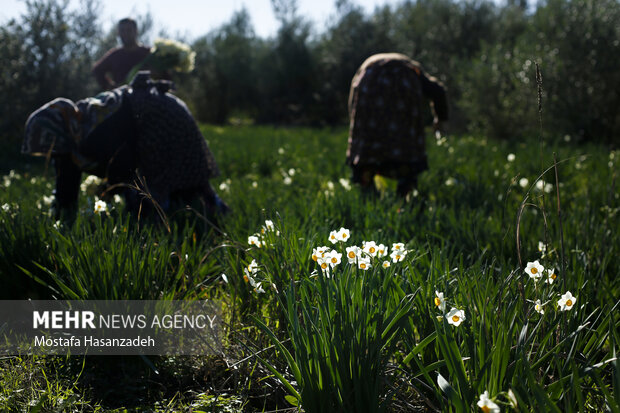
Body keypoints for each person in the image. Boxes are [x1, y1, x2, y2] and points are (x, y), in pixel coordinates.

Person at [23, 72, 229, 222]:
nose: (50, 155)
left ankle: (200, 217)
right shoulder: (72, 131)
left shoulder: (95, 129)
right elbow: (66, 185)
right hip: (152, 116)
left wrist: (111, 188)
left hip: (165, 117)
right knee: (166, 185)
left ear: (58, 133)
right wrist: (60, 218)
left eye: (49, 148)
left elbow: (124, 167)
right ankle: (192, 213)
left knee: (167, 182)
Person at [346, 53, 448, 198]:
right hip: (405, 81)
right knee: (405, 144)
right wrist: (440, 119)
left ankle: (367, 190)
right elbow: (438, 91)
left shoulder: (367, 67)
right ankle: (405, 194)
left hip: (370, 80)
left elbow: (353, 96)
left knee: (368, 147)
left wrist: (355, 121)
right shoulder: (412, 68)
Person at [92, 18, 151, 90]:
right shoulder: (115, 55)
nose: (125, 34)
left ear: (136, 31)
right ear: (118, 33)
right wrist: (109, 86)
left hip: (147, 96)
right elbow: (97, 70)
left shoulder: (148, 53)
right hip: (123, 98)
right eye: (122, 31)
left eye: (129, 30)